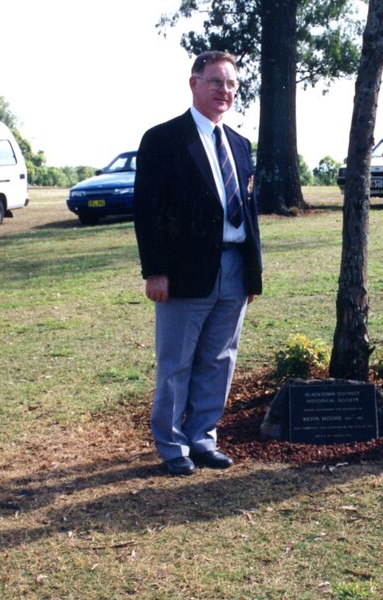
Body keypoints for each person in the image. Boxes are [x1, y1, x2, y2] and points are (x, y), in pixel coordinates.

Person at [133, 51, 262, 476]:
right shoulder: (164, 139)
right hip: (183, 273)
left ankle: (203, 438)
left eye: (231, 85)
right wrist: (155, 271)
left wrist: (252, 275)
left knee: (220, 359)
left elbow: (249, 209)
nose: (224, 91)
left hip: (233, 269)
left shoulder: (240, 145)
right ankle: (172, 446)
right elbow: (148, 212)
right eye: (215, 82)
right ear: (194, 84)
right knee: (177, 363)